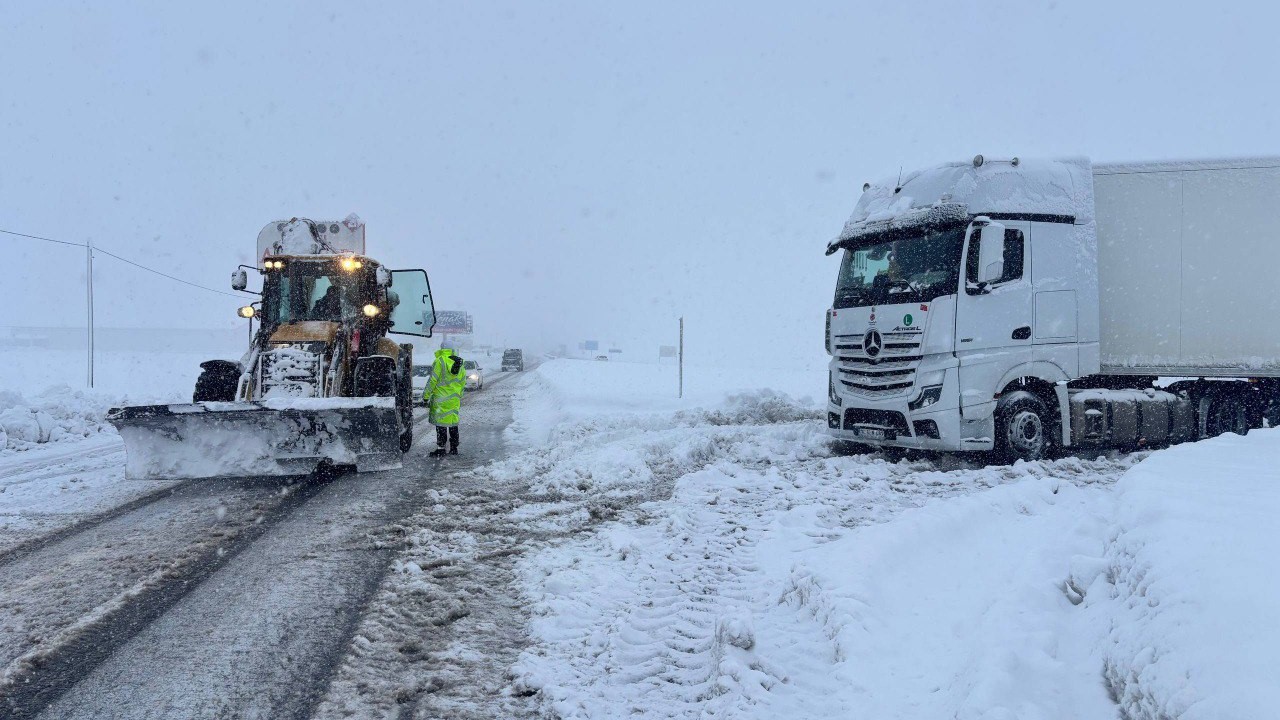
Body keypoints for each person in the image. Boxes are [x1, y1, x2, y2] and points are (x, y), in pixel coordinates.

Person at [424, 345, 466, 456]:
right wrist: (458, 395)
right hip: (454, 400)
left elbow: (433, 380)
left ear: (442, 348)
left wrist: (426, 395)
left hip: (440, 399)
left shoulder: (440, 361)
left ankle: (441, 449)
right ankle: (454, 448)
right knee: (453, 423)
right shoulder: (460, 363)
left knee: (441, 424)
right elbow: (462, 382)